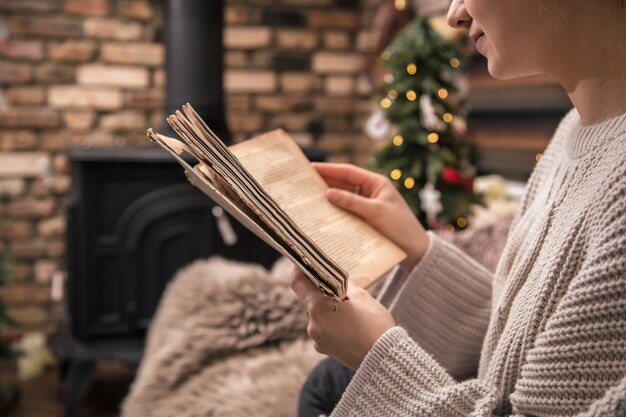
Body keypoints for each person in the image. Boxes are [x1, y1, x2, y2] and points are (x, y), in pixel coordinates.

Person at [290, 0, 626, 415]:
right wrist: (418, 249)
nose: (454, 15)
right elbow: (520, 349)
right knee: (325, 383)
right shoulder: (572, 133)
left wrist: (380, 358)